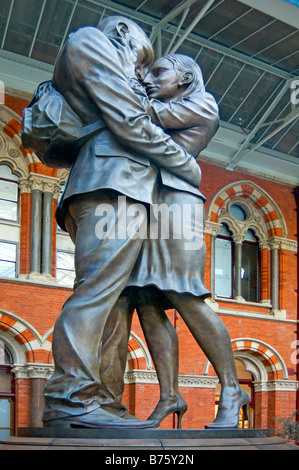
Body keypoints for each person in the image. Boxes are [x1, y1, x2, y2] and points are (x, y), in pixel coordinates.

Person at [42, 17, 202, 429]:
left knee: (115, 303)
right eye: (140, 62)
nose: (140, 74)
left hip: (123, 188)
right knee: (97, 292)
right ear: (126, 36)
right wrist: (186, 164)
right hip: (110, 185)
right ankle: (72, 396)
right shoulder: (91, 41)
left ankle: (105, 405)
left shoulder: (102, 56)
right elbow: (129, 121)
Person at [102, 54, 249, 429]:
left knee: (185, 295)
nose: (150, 79)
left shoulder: (201, 102)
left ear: (184, 77)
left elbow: (143, 114)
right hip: (145, 204)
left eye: (159, 72)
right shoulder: (166, 104)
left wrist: (109, 79)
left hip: (177, 204)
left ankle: (232, 388)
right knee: (146, 301)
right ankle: (170, 394)